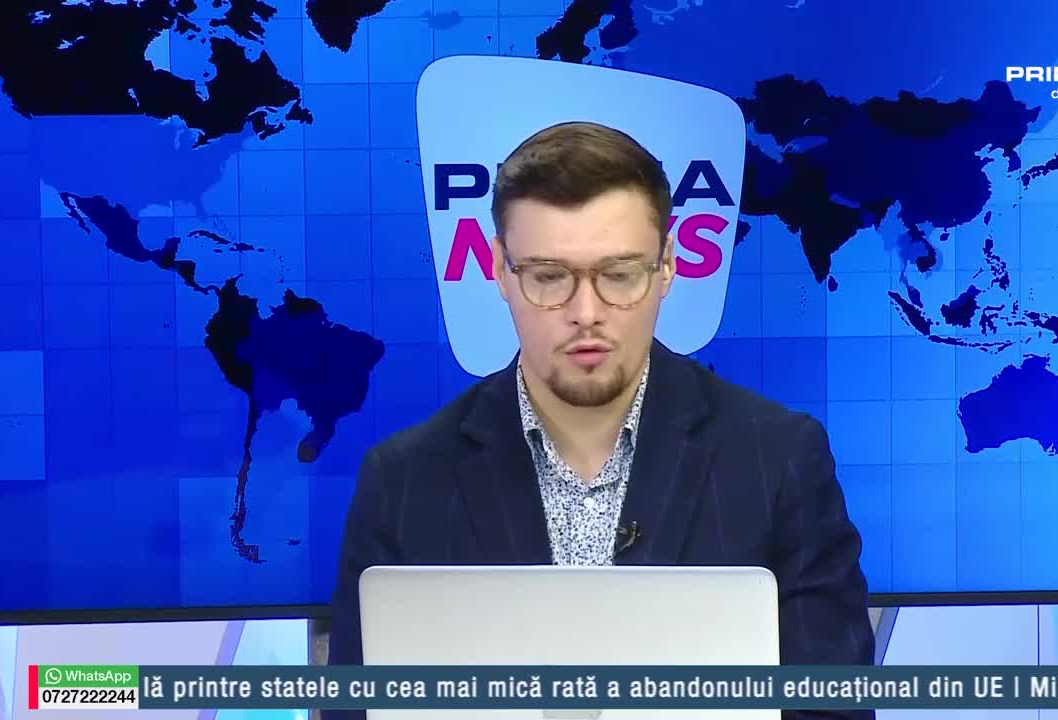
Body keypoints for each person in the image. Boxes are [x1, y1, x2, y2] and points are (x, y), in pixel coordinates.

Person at [326, 121, 875, 719]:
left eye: (619, 274)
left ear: (667, 266)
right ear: (500, 271)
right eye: (548, 277)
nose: (586, 313)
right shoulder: (403, 483)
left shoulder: (779, 461)